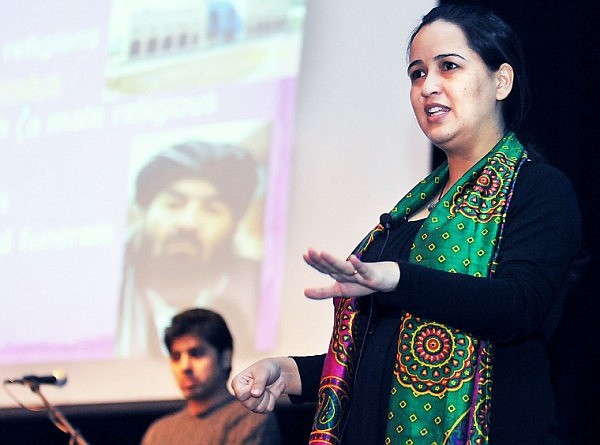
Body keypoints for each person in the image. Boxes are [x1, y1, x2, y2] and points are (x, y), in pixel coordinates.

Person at [231, 4, 581, 445]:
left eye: (448, 67)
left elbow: (518, 307)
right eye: (417, 74)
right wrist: (289, 372)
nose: (428, 86)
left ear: (501, 81)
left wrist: (396, 277)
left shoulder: (538, 190)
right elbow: (388, 352)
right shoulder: (406, 214)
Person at [115, 140, 261, 358]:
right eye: (173, 204)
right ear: (143, 211)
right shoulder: (107, 283)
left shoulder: (258, 284)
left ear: (234, 226)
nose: (188, 223)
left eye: (211, 209)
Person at [142, 308, 281, 445]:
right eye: (176, 357)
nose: (184, 367)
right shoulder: (158, 432)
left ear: (225, 358)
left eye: (196, 354)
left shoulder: (249, 418)